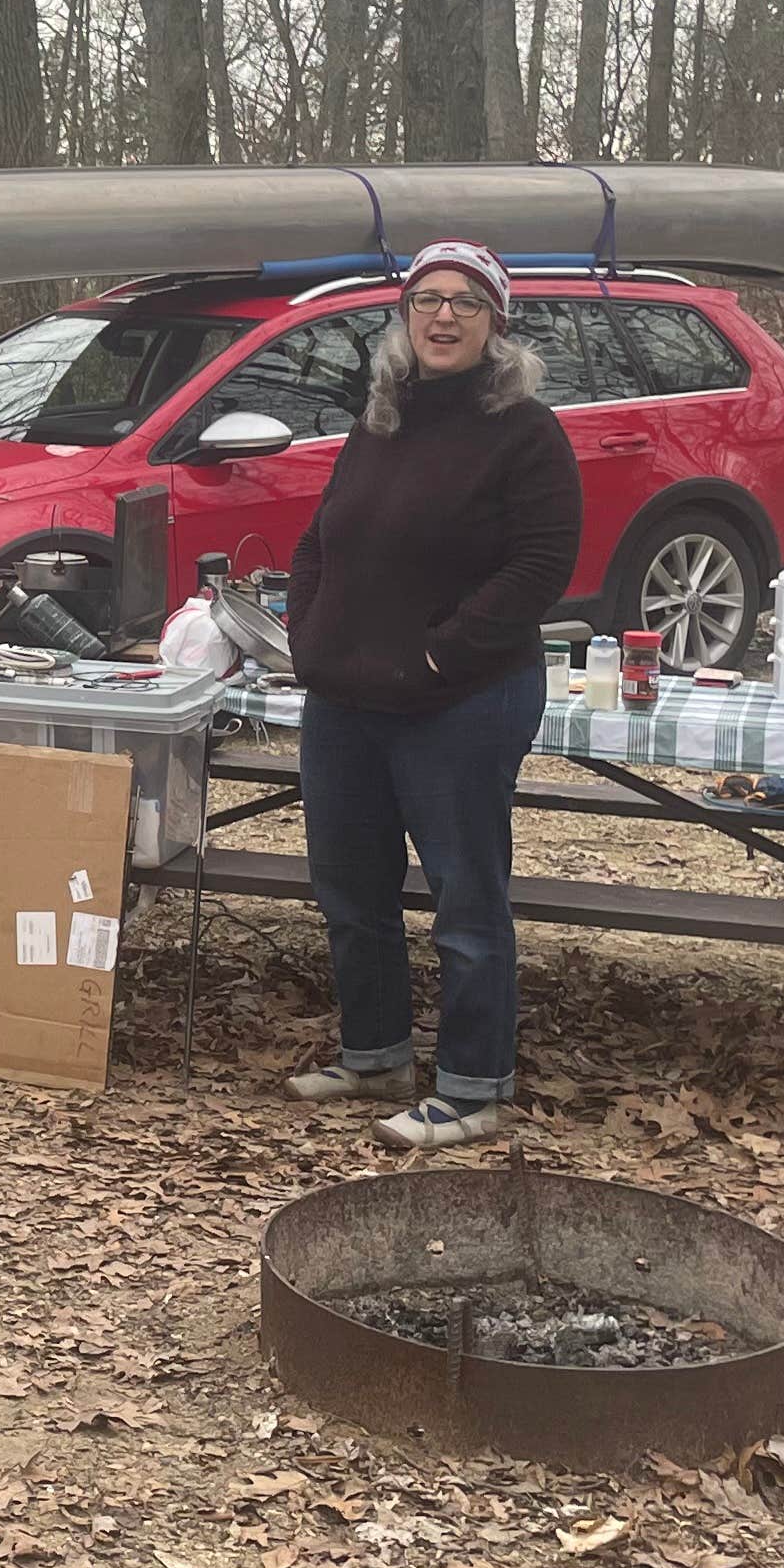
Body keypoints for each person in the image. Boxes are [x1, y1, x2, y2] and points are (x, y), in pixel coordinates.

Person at [278, 240, 580, 1149]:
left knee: (464, 897)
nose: (443, 317)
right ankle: (374, 1054)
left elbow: (540, 568)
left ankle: (473, 1087)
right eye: (426, 301)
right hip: (348, 698)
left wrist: (444, 657)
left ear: (497, 322)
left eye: (465, 303)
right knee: (349, 887)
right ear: (404, 318)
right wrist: (310, 632)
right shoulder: (382, 417)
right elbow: (322, 538)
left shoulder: (526, 431)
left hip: (462, 699)